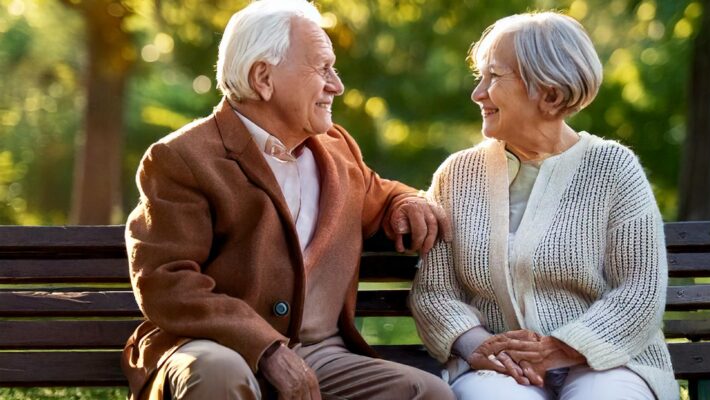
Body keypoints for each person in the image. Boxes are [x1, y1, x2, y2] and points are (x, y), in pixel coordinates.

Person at [121, 1, 454, 399]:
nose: (337, 85)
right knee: (219, 372)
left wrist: (407, 203)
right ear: (263, 77)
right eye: (322, 69)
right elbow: (166, 280)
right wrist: (266, 348)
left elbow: (380, 195)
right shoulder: (180, 158)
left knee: (426, 393)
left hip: (318, 355)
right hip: (210, 346)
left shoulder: (337, 148)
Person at [409, 11, 679, 400]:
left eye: (494, 77)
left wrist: (563, 348)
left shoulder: (613, 168)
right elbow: (435, 292)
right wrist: (478, 346)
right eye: (479, 77)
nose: (478, 93)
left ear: (550, 93)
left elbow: (639, 291)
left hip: (605, 362)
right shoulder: (457, 175)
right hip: (496, 368)